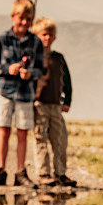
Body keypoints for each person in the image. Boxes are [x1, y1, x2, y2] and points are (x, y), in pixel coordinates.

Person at [0, 0, 44, 188]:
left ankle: (21, 172)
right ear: (13, 17)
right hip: (5, 92)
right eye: (21, 18)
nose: (25, 23)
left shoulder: (36, 42)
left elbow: (40, 70)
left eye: (29, 19)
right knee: (3, 131)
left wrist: (30, 74)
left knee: (22, 133)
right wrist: (7, 69)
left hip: (25, 94)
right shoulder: (2, 39)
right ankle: (1, 170)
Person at [30, 17, 77, 188]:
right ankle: (44, 174)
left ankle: (60, 173)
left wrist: (67, 101)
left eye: (50, 35)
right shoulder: (33, 58)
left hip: (56, 106)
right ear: (36, 36)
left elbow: (68, 82)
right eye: (43, 34)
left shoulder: (59, 58)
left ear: (54, 37)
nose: (47, 38)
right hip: (39, 105)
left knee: (60, 140)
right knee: (40, 139)